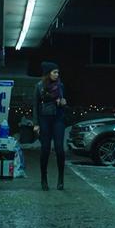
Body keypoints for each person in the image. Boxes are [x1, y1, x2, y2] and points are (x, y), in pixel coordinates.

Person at [33, 62, 68, 190]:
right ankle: (44, 179)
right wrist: (36, 123)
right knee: (45, 149)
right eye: (54, 72)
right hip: (44, 119)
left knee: (59, 148)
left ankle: (61, 179)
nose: (57, 74)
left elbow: (64, 103)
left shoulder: (60, 86)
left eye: (58, 72)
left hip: (58, 119)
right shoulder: (39, 86)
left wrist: (63, 103)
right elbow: (35, 105)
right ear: (48, 73)